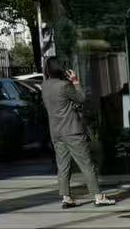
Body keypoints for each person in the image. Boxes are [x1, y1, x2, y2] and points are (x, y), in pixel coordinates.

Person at [41, 57, 112, 208]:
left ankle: (66, 197)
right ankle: (98, 196)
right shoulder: (64, 85)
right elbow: (81, 98)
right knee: (87, 164)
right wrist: (75, 81)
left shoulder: (45, 86)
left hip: (56, 132)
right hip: (72, 131)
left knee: (63, 166)